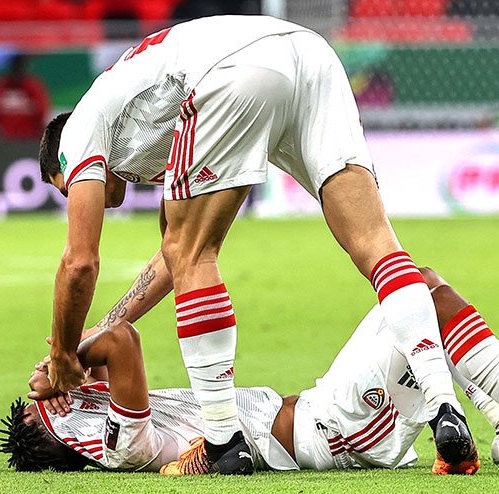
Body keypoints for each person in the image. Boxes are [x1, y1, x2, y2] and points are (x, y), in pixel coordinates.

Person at [37, 15, 470, 474]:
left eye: (68, 188)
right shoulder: (144, 127)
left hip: (235, 70)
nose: (80, 197)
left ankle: (224, 442)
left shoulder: (79, 132)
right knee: (375, 243)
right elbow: (170, 253)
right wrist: (102, 328)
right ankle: (445, 405)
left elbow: (80, 263)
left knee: (195, 255)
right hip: (309, 52)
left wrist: (64, 352)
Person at [0, 256, 499, 474]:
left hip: (323, 417)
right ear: (64, 433)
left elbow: (169, 267)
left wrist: (69, 361)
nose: (55, 393)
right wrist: (65, 357)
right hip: (333, 431)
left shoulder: (108, 423)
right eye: (49, 406)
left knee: (415, 297)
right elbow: (121, 343)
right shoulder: (121, 447)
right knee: (418, 291)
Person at [0, 54, 50, 140]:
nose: (18, 69)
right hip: (6, 138)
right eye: (15, 65)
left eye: (20, 65)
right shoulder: (1, 86)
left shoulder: (33, 85)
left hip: (29, 138)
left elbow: (42, 112)